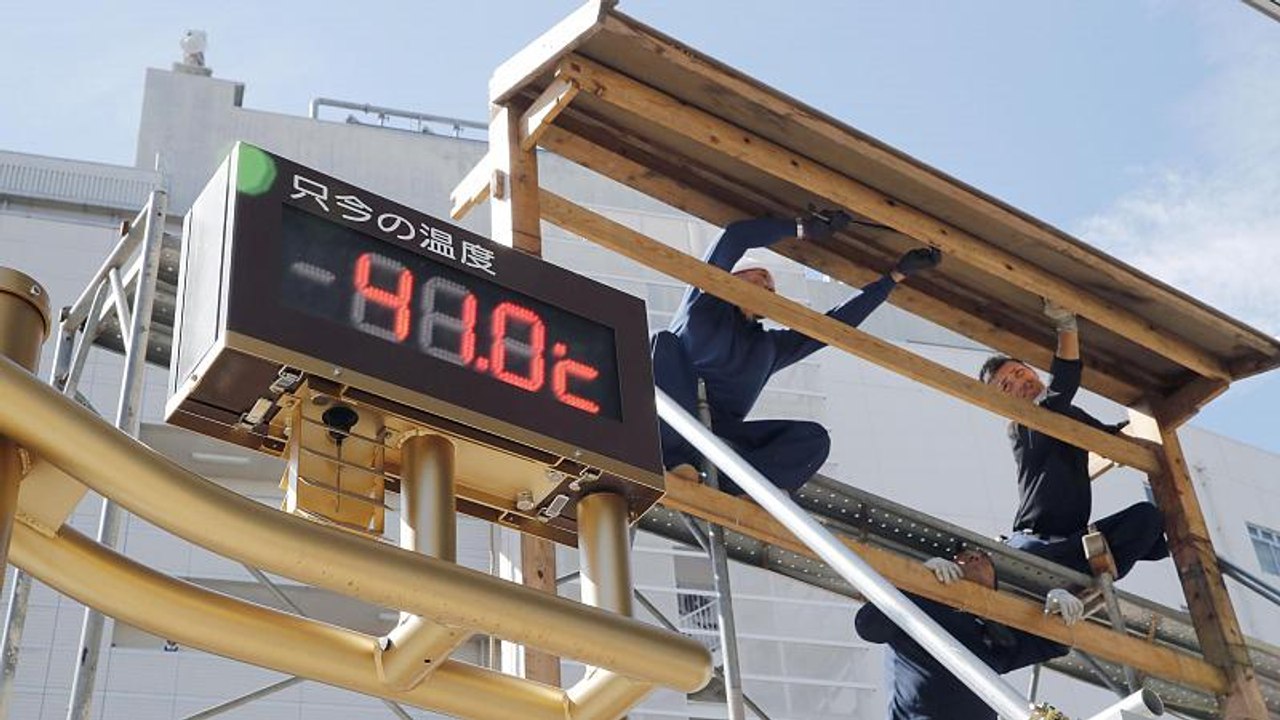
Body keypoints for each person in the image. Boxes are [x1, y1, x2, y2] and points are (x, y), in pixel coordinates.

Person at [653, 212, 941, 494]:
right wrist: (801, 228)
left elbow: (834, 325)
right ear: (733, 278)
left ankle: (752, 488)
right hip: (671, 418)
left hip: (719, 442)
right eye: (760, 277)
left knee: (813, 439)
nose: (769, 287)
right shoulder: (702, 304)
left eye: (772, 286)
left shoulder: (770, 348)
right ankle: (677, 461)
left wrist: (893, 277)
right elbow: (735, 236)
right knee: (662, 343)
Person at [978, 300, 1169, 579]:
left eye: (1020, 373)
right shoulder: (1022, 426)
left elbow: (1109, 439)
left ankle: (1099, 576)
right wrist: (1066, 325)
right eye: (1007, 385)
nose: (1020, 382)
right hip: (1034, 546)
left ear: (1031, 370)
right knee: (1148, 531)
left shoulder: (1067, 413)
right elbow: (1063, 385)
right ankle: (1095, 577)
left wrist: (1151, 424)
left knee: (1147, 517)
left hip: (1072, 545)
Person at [855, 551, 1075, 720]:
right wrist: (917, 583)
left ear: (993, 587)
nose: (974, 557)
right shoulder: (918, 608)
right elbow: (868, 626)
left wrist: (1058, 609)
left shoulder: (991, 635)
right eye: (963, 557)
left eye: (983, 558)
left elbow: (1052, 644)